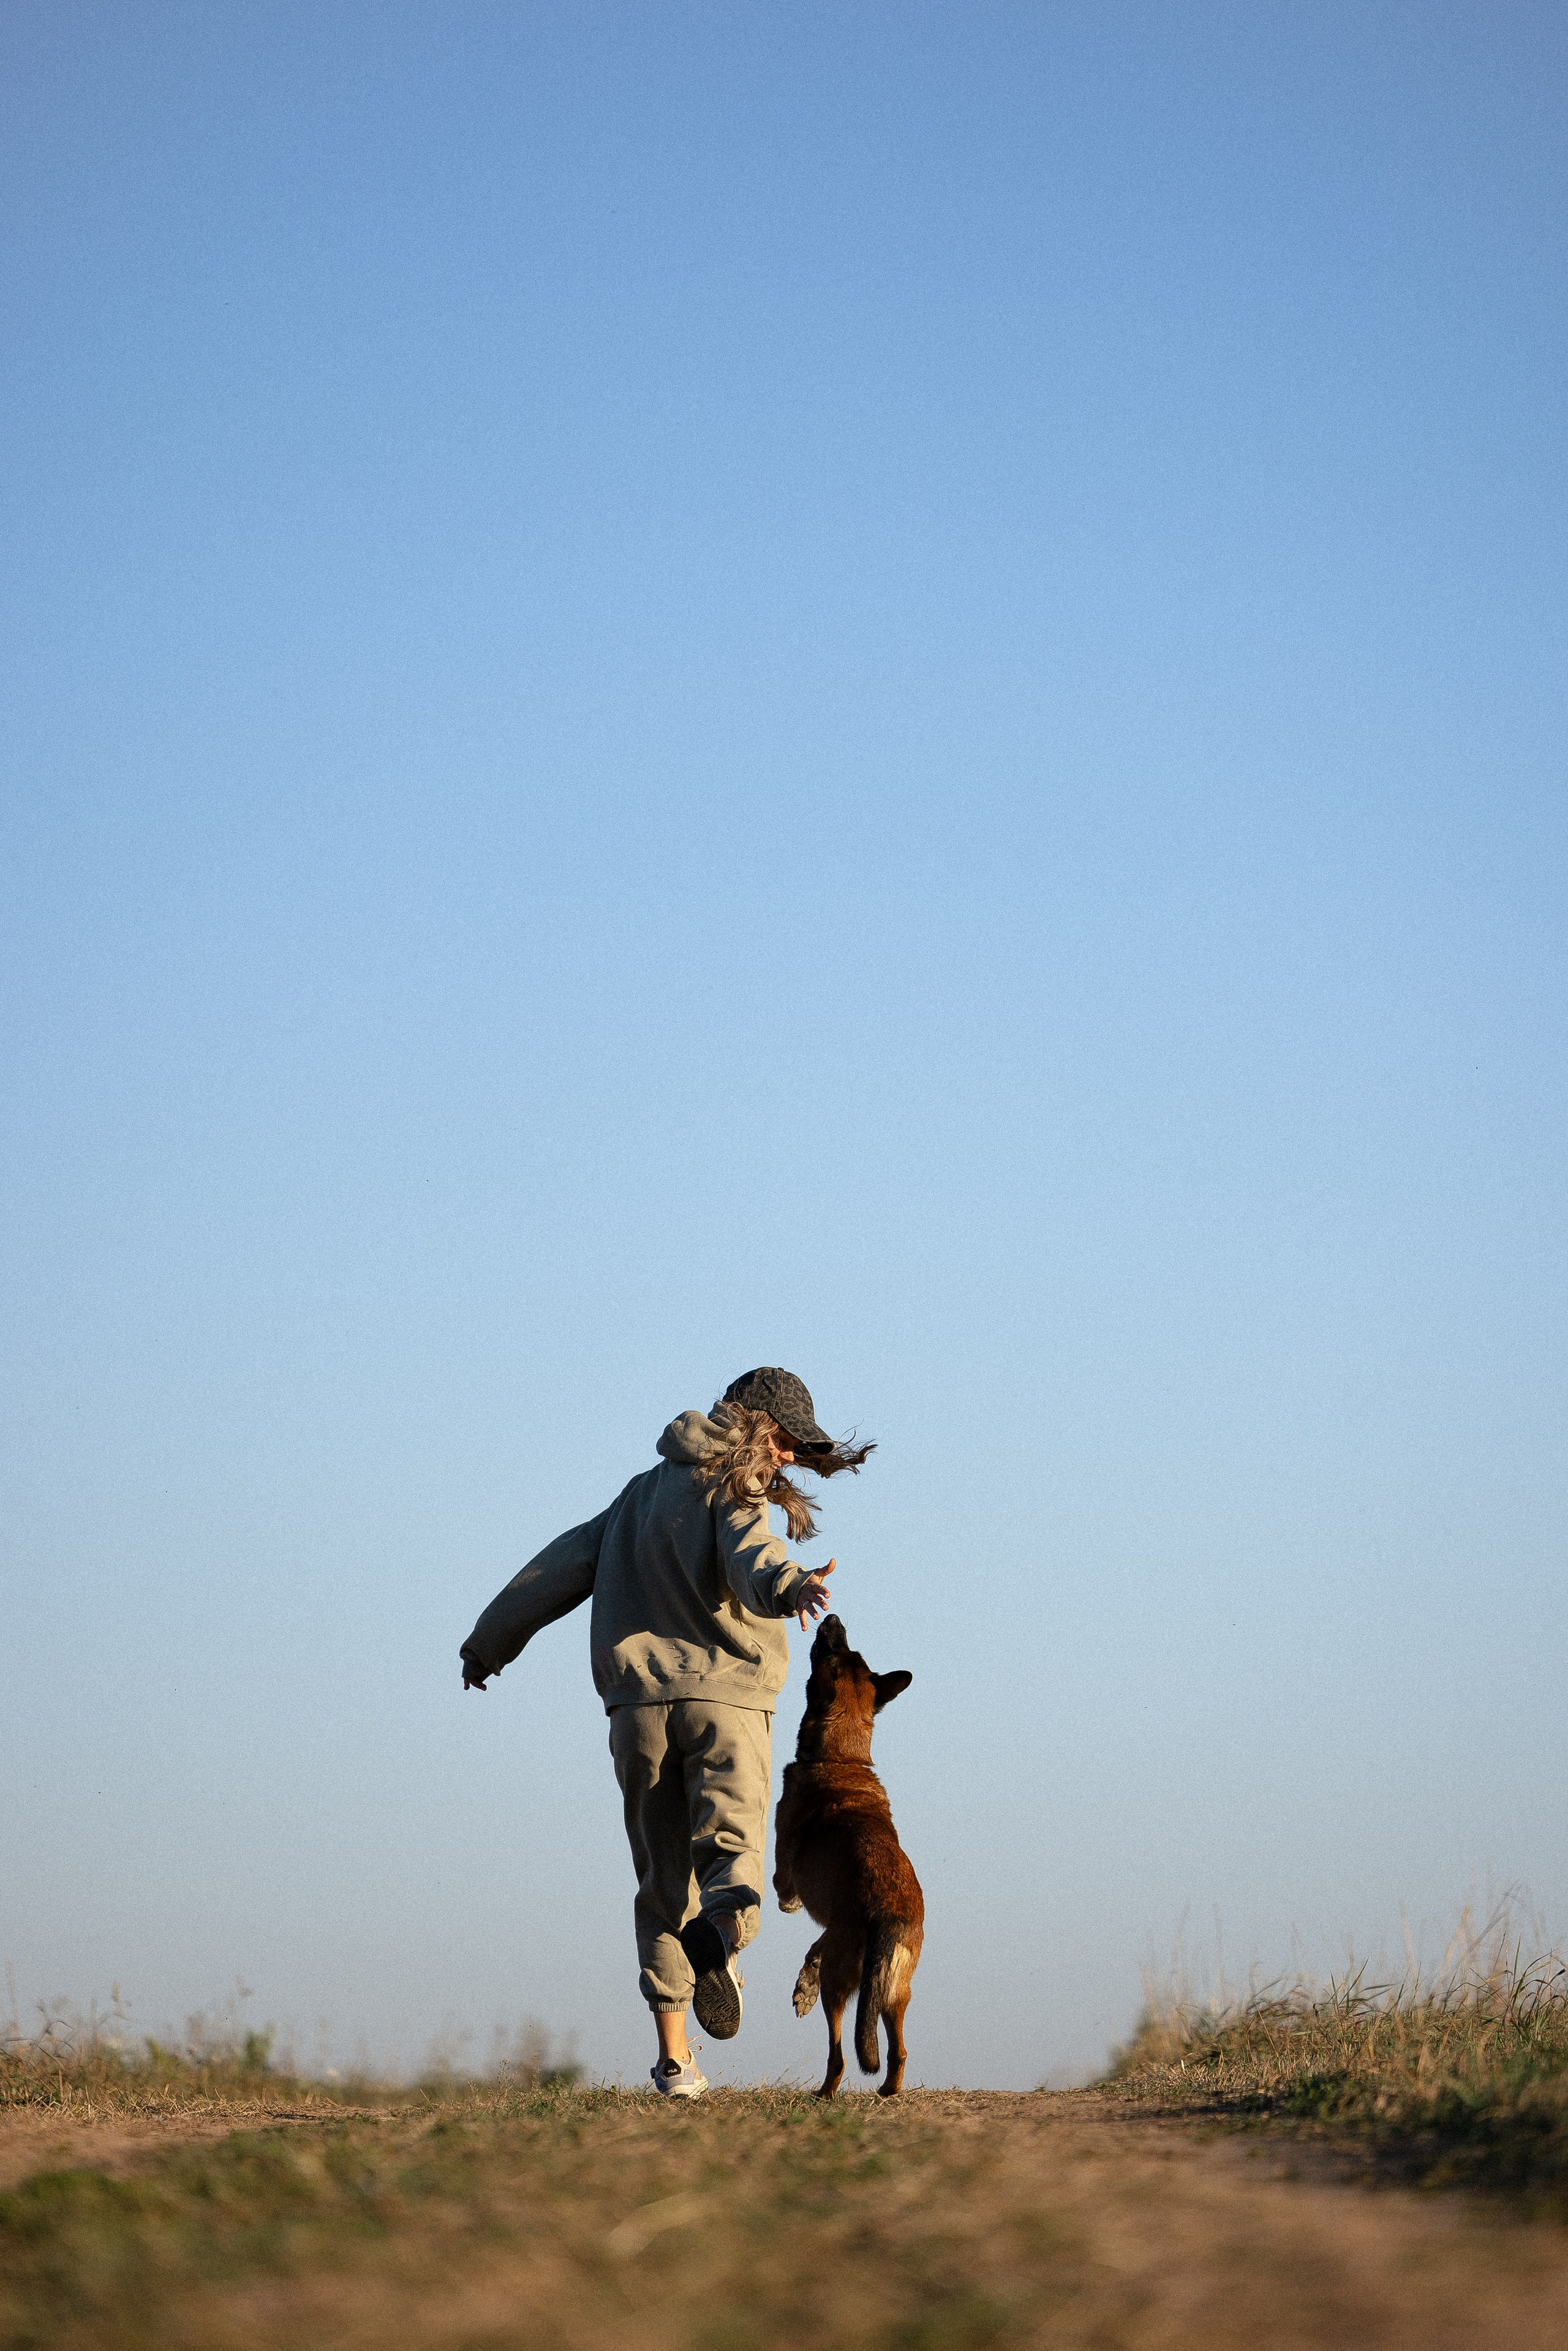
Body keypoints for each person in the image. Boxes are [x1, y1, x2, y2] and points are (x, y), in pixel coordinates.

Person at [459, 1367, 873, 2100]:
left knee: (661, 1883)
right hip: (726, 1703)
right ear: (755, 1425)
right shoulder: (738, 1489)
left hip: (638, 1712)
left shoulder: (638, 1496)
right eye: (781, 1443)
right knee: (731, 1859)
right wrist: (791, 1587)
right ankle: (723, 1941)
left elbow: (554, 1569)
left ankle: (676, 2064)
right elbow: (754, 1557)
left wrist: (487, 1644)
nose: (783, 1460)